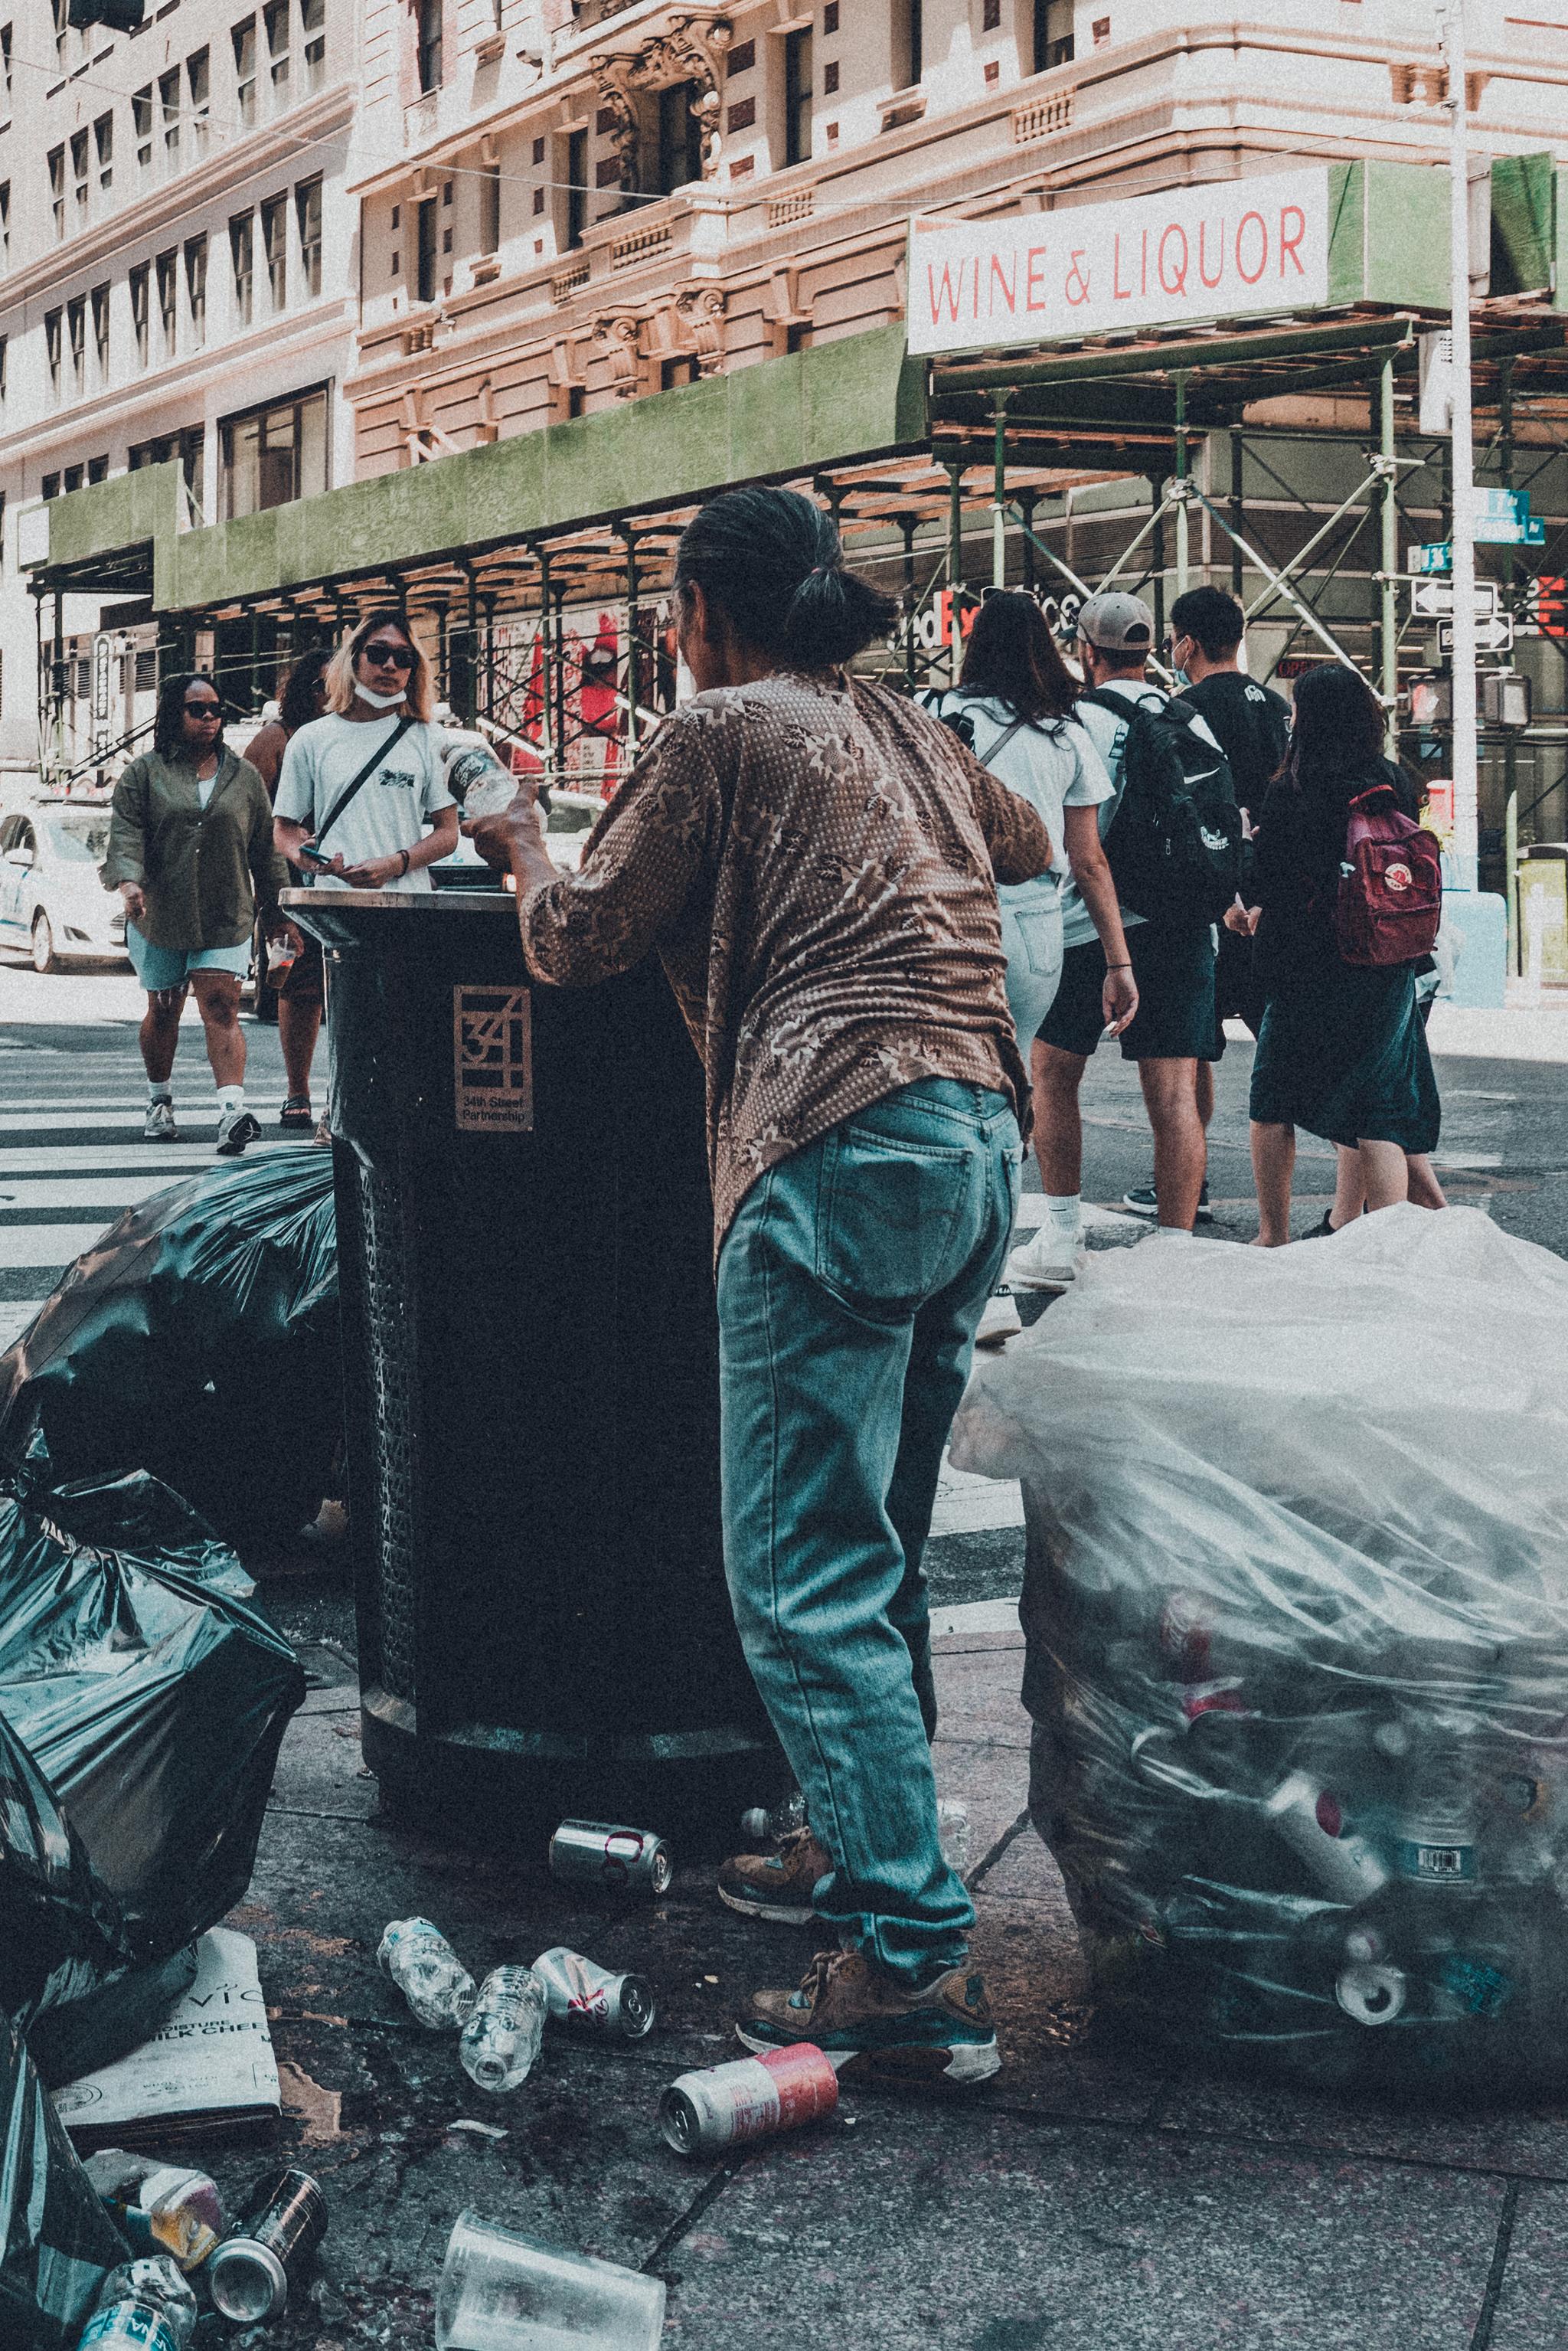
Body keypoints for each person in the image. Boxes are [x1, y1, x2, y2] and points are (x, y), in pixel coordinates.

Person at [468, 486, 1056, 2084]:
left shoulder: (716, 727)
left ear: (702, 612)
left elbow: (581, 938)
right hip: (975, 1138)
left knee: (799, 1580)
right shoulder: (902, 725)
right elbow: (1024, 834)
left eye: (668, 604)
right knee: (876, 1543)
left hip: (836, 1141)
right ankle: (848, 1842)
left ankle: (916, 1964)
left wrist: (522, 839)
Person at [927, 591, 1134, 1340]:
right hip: (1040, 931)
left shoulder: (940, 717)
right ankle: (999, 1279)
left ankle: (955, 1290)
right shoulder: (1063, 732)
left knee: (948, 1098)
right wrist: (1117, 960)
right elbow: (1089, 861)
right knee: (1008, 1102)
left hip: (953, 924)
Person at [1009, 590, 1220, 1293]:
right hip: (1184, 925)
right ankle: (1176, 1249)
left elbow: (1076, 845)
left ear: (1087, 652)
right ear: (1152, 649)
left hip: (1089, 930)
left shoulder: (1079, 725)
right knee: (1173, 1093)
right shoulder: (1189, 718)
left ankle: (1064, 1228)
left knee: (1055, 1075)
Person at [1247, 662, 1442, 1244]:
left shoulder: (1296, 787)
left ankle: (1272, 1234)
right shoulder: (1395, 780)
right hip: (1387, 959)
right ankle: (1385, 1248)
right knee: (1378, 1110)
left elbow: (1268, 884)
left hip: (1307, 966)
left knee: (1272, 1099)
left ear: (1306, 718)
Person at [1120, 585, 1291, 1221]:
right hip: (1273, 897)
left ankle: (1190, 1185)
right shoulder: (1277, 707)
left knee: (1194, 1048)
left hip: (1214, 896)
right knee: (1280, 1034)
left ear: (1184, 642)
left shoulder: (1182, 711)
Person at [103, 672, 285, 1155]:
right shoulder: (145, 773)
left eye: (216, 709)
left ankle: (232, 1113)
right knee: (163, 1012)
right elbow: (125, 836)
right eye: (196, 709)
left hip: (226, 915)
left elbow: (265, 851)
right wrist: (129, 881)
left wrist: (281, 913)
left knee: (222, 1008)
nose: (209, 718)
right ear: (172, 714)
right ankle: (159, 1100)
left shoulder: (243, 778)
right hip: (159, 915)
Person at [272, 612, 460, 914]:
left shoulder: (430, 738)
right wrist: (301, 856)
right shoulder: (312, 738)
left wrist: (395, 864)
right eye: (377, 653)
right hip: (337, 908)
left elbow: (448, 833)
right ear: (354, 658)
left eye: (403, 658)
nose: (390, 665)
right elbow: (284, 828)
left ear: (413, 670)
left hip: (408, 906)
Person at [244, 648, 331, 1133]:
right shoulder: (278, 737)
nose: (329, 695)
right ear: (302, 691)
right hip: (287, 885)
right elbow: (252, 818)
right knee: (294, 982)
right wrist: (265, 890)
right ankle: (297, 1090)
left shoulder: (357, 735)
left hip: (350, 874)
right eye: (320, 686)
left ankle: (338, 1090)